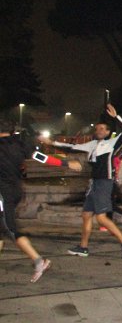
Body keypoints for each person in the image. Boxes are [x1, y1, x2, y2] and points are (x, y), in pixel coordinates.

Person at [44, 104, 122, 258]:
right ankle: (83, 247)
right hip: (94, 183)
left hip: (104, 183)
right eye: (97, 129)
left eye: (102, 129)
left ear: (107, 132)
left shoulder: (111, 144)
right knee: (86, 215)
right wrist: (52, 143)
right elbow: (72, 147)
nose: (98, 131)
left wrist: (116, 117)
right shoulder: (92, 145)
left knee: (100, 218)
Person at [1, 121, 82, 282]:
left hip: (3, 194)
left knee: (10, 228)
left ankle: (39, 261)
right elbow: (41, 157)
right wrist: (66, 163)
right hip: (16, 190)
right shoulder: (20, 144)